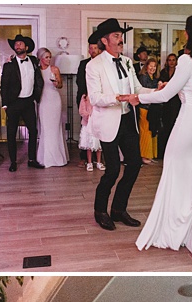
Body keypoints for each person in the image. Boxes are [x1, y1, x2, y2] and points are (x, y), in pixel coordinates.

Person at [121, 13, 192, 267]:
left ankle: (174, 231)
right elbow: (188, 88)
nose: (185, 34)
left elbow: (166, 96)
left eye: (187, 30)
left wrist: (138, 98)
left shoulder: (188, 60)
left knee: (175, 174)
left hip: (191, 122)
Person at [86, 18, 154, 231]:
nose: (120, 39)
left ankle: (118, 209)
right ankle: (100, 211)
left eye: (120, 36)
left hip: (127, 120)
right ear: (105, 41)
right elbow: (95, 98)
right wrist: (120, 97)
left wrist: (159, 90)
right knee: (113, 170)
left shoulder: (126, 62)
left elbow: (137, 88)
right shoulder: (93, 65)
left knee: (134, 164)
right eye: (116, 36)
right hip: (108, 122)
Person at [0, 35, 44, 172]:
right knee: (12, 133)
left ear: (26, 47)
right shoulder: (9, 65)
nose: (17, 46)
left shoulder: (33, 61)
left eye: (20, 44)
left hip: (28, 102)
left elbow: (38, 78)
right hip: (13, 103)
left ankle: (31, 159)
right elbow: (4, 85)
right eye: (16, 44)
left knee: (33, 130)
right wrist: (5, 104)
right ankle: (13, 161)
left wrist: (37, 96)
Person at [76, 34, 104, 173]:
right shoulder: (83, 63)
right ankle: (85, 158)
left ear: (99, 50)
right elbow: (79, 81)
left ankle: (99, 159)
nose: (92, 50)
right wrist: (86, 95)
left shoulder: (102, 63)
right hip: (85, 97)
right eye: (90, 48)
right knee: (86, 129)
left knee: (99, 128)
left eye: (95, 48)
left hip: (98, 99)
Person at [35, 48, 67, 168]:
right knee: (45, 128)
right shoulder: (36, 71)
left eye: (50, 57)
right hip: (43, 101)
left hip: (54, 100)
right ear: (40, 58)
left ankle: (57, 158)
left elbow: (60, 84)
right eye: (46, 57)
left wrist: (56, 83)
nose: (49, 59)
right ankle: (45, 157)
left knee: (54, 128)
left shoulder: (54, 69)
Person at [137, 58, 160, 164]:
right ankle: (144, 155)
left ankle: (151, 155)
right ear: (146, 66)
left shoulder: (154, 78)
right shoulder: (143, 77)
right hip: (144, 107)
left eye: (154, 66)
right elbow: (144, 91)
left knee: (152, 131)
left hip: (153, 108)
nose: (153, 68)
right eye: (151, 66)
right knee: (145, 131)